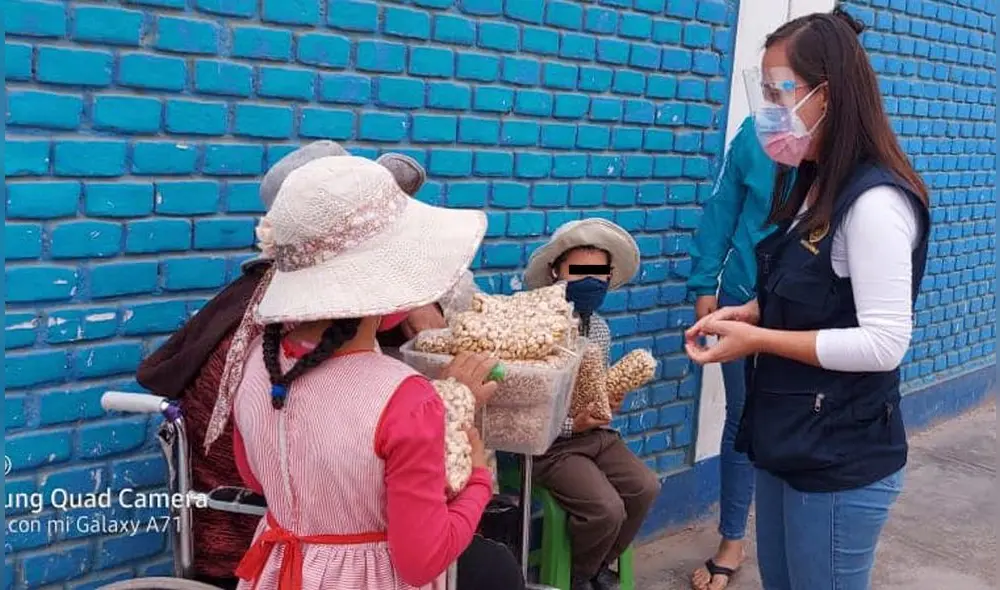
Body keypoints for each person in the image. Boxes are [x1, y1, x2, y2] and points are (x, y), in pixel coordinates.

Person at [685, 7, 930, 590]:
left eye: (779, 91)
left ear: (828, 94)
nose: (768, 107)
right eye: (763, 90)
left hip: (839, 461)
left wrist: (758, 338)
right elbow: (820, 297)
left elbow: (884, 342)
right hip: (788, 440)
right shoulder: (817, 184)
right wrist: (751, 312)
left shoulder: (874, 205)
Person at [135, 141, 448, 589]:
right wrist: (472, 475)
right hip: (252, 539)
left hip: (277, 558)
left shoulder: (267, 340)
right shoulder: (389, 389)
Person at [228, 154, 521, 590]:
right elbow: (420, 560)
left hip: (278, 573)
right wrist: (478, 479)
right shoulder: (404, 396)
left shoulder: (254, 362)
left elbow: (256, 474)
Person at [523, 219, 662, 590]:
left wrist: (610, 399)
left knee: (644, 487)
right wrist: (573, 425)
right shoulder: (536, 327)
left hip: (596, 435)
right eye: (579, 271)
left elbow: (595, 390)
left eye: (598, 272)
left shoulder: (599, 328)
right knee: (606, 509)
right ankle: (581, 576)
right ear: (556, 272)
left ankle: (597, 564)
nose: (590, 281)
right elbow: (526, 413)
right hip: (550, 446)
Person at [686, 117, 776, 590]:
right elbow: (724, 208)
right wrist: (706, 283)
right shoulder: (755, 132)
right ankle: (732, 539)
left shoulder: (850, 135)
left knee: (800, 421)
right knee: (742, 419)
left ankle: (794, 537)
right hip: (740, 297)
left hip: (804, 311)